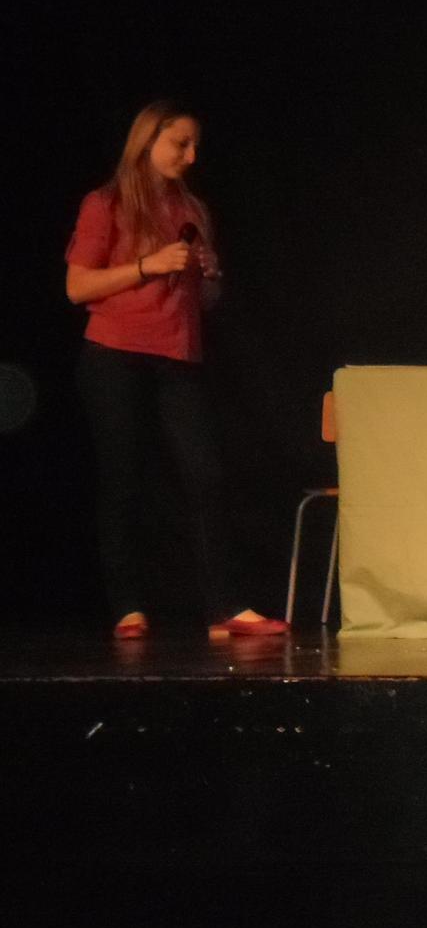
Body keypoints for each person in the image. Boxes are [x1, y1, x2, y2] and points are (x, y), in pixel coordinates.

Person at [64, 102, 288, 641]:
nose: (190, 156)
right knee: (123, 477)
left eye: (194, 147)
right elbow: (77, 287)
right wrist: (148, 265)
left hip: (177, 355)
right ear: (147, 141)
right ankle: (128, 607)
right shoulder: (106, 203)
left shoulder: (192, 209)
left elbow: (203, 302)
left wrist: (209, 277)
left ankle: (224, 607)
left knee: (206, 475)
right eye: (180, 144)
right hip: (114, 353)